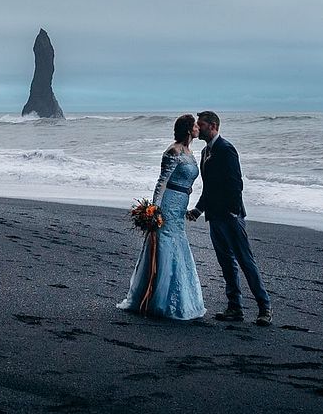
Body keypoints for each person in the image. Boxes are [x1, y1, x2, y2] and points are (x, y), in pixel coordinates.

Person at [117, 114, 207, 320]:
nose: (197, 129)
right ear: (187, 130)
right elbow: (162, 182)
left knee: (178, 244)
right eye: (194, 126)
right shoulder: (173, 151)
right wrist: (154, 209)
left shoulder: (190, 152)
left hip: (180, 204)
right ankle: (157, 297)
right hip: (168, 205)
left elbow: (185, 178)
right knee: (165, 244)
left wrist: (188, 191)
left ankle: (178, 296)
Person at [187, 110, 272, 325]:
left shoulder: (226, 149)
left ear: (213, 126)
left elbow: (236, 183)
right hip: (215, 216)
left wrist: (234, 211)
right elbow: (210, 187)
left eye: (202, 124)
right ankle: (235, 307)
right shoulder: (206, 152)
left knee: (245, 261)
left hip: (231, 216)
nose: (199, 128)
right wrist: (199, 210)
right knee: (226, 263)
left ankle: (265, 307)